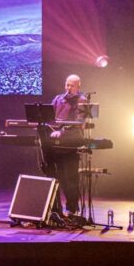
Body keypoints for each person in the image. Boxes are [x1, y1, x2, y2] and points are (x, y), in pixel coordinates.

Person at [40, 74, 89, 217]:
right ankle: (56, 210)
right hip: (56, 144)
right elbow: (49, 118)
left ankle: (72, 209)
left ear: (78, 86)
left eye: (72, 85)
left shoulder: (82, 100)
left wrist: (61, 131)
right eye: (67, 85)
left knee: (70, 178)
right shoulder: (58, 99)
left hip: (71, 143)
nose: (68, 88)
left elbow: (80, 123)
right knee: (58, 177)